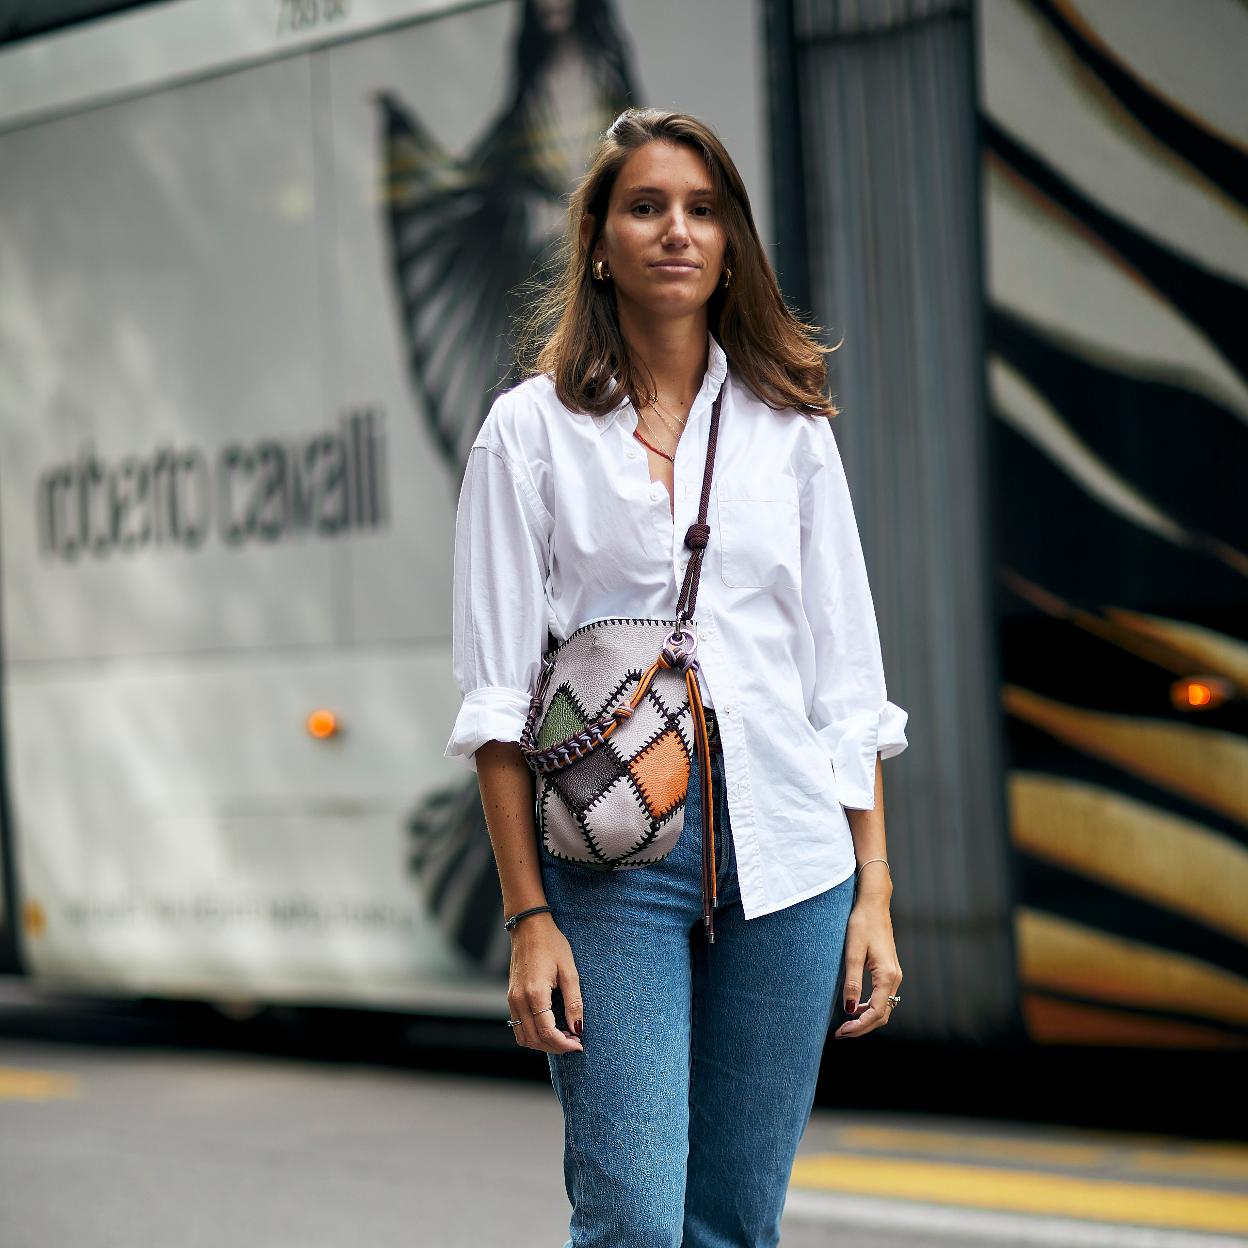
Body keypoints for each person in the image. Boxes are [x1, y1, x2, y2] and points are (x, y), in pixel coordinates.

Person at [444, 108, 909, 1248]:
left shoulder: (790, 430)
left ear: (732, 243)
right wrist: (528, 918)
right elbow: (498, 702)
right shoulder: (527, 434)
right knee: (635, 1222)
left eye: (702, 210)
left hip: (789, 850)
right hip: (613, 853)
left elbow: (845, 682)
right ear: (599, 242)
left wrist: (874, 891)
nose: (676, 231)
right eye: (645, 207)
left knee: (736, 1224)